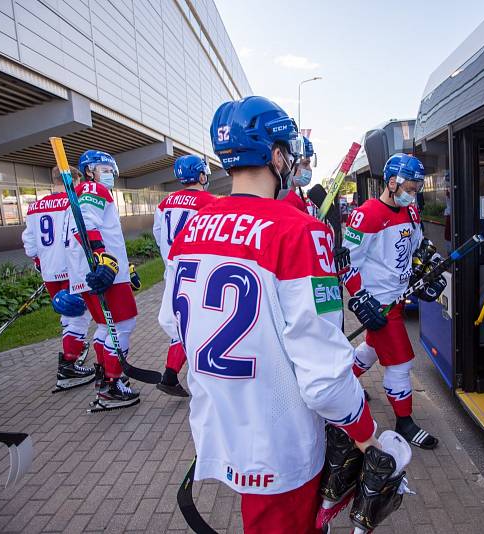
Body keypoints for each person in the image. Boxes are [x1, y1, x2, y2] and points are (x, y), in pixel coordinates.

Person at [158, 96, 378, 534]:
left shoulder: (191, 229)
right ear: (276, 155)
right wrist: (366, 432)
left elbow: (172, 324)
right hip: (281, 440)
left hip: (225, 426)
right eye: (288, 151)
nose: (293, 160)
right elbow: (322, 373)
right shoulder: (301, 231)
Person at [343, 153, 447, 450]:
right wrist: (361, 299)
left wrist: (430, 268)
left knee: (374, 348)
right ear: (392, 182)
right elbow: (347, 263)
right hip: (380, 303)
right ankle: (405, 422)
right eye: (410, 188)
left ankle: (340, 386)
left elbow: (418, 247)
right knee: (400, 362)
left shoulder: (411, 212)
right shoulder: (368, 214)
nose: (413, 195)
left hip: (400, 297)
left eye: (416, 189)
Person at [67, 150, 139, 411]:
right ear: (89, 170)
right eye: (103, 168)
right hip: (102, 272)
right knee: (122, 326)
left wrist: (126, 267)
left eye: (111, 169)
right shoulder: (93, 189)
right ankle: (112, 383)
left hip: (93, 272)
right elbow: (85, 224)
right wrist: (101, 259)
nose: (109, 173)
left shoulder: (82, 191)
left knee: (105, 327)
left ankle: (104, 376)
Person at [21, 166, 93, 392]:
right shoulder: (75, 201)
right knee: (80, 315)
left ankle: (74, 347)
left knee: (67, 314)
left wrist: (40, 262)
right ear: (74, 179)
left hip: (50, 270)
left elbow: (29, 244)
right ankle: (68, 365)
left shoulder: (34, 206)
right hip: (72, 268)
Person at [152, 154, 217, 397]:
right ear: (201, 175)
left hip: (173, 269)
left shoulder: (165, 202)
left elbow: (159, 234)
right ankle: (186, 376)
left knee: (181, 322)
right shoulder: (208, 201)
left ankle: (170, 373)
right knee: (195, 325)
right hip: (197, 271)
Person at [282, 135, 315, 212]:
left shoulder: (293, 201)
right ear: (291, 164)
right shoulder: (291, 204)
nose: (309, 169)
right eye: (305, 164)